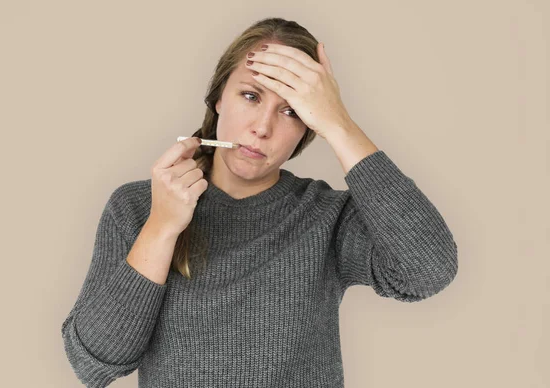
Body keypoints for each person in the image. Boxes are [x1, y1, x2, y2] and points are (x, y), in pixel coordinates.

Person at [61, 17, 458, 388]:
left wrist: (340, 124)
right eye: (250, 96)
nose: (263, 128)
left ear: (308, 127)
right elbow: (96, 362)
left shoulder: (326, 216)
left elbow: (429, 271)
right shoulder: (136, 207)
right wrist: (162, 227)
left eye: (290, 111)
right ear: (218, 98)